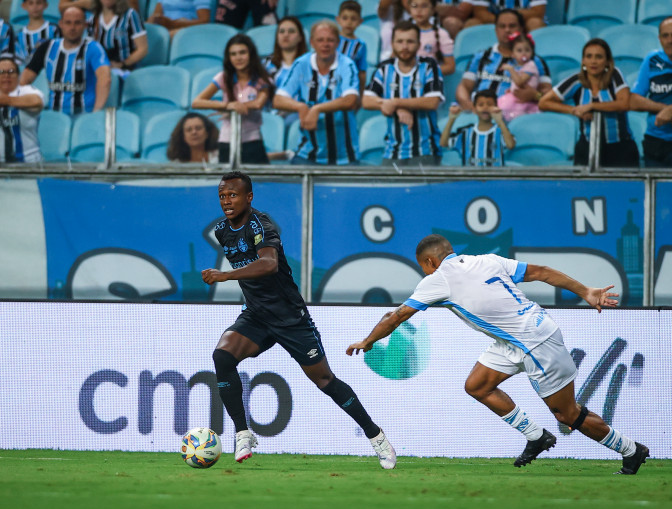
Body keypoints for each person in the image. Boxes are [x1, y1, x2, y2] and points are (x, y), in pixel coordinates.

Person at [346, 233, 650, 475]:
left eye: (422, 267)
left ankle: (631, 450)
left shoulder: (438, 279)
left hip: (535, 343)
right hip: (520, 336)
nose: (423, 272)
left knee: (567, 414)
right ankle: (536, 436)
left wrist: (368, 341)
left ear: (430, 261)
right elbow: (541, 272)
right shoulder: (487, 260)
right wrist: (585, 291)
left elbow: (396, 317)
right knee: (477, 385)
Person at [202, 170, 396, 469]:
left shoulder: (261, 225)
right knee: (222, 356)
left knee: (325, 380)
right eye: (222, 196)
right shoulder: (222, 231)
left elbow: (269, 264)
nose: (226, 201)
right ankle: (242, 433)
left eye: (233, 195)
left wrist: (226, 276)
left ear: (249, 197)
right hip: (256, 315)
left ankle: (376, 436)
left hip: (290, 318)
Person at [539, 38, 638, 168]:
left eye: (599, 57)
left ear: (607, 61)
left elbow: (624, 104)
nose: (593, 61)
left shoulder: (615, 75)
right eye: (589, 56)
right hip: (586, 148)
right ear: (583, 61)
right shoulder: (576, 81)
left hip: (620, 149)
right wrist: (574, 110)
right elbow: (544, 102)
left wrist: (592, 106)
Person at [273, 20, 360, 165]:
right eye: (320, 40)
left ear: (338, 43)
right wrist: (300, 107)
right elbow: (278, 99)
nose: (325, 44)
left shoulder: (347, 64)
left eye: (330, 40)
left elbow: (351, 100)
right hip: (307, 154)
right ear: (312, 42)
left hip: (345, 157)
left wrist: (317, 109)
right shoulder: (301, 64)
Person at [363, 21, 444, 166]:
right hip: (392, 151)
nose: (404, 46)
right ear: (392, 44)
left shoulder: (429, 66)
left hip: (425, 150)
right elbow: (366, 100)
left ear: (419, 44)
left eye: (410, 42)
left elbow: (432, 102)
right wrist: (397, 107)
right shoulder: (384, 68)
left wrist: (395, 103)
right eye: (399, 41)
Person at [192, 34, 273, 164]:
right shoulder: (223, 77)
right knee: (229, 178)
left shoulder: (262, 79)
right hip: (227, 142)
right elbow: (197, 102)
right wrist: (227, 106)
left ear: (251, 54)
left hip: (253, 141)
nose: (238, 58)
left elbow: (258, 104)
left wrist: (238, 105)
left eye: (242, 53)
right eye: (233, 54)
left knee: (258, 177)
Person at [20, 6, 111, 115]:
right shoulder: (47, 48)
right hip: (55, 117)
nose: (72, 27)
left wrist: (95, 113)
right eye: (68, 23)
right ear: (61, 24)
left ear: (85, 25)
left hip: (84, 115)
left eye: (77, 23)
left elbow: (105, 79)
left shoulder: (94, 48)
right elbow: (24, 80)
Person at [455, 8, 550, 112]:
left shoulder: (535, 61)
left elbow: (549, 93)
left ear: (521, 29)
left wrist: (535, 95)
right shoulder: (481, 56)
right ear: (496, 30)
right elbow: (464, 86)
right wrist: (470, 107)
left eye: (512, 26)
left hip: (515, 114)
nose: (507, 30)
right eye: (502, 26)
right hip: (479, 113)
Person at [630, 16, 672, 168]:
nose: (670, 40)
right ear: (659, 39)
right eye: (665, 36)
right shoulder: (652, 60)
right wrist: (665, 109)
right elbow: (634, 101)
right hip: (656, 143)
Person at [440, 88, 514, 166]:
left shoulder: (501, 131)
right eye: (481, 105)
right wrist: (451, 119)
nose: (485, 107)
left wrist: (500, 121)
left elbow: (510, 145)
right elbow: (443, 143)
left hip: (494, 174)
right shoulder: (465, 132)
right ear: (474, 109)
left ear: (496, 107)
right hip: (470, 174)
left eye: (489, 104)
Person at [90, 0, 148, 73]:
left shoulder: (130, 15)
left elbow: (142, 49)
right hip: (102, 69)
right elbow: (90, 48)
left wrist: (122, 64)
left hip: (127, 69)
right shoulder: (94, 19)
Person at [497, 32, 538, 121]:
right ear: (512, 54)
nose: (524, 53)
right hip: (516, 98)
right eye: (519, 50)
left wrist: (510, 69)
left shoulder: (531, 65)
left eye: (527, 50)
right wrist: (511, 89)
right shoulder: (520, 67)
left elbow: (520, 82)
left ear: (532, 52)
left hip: (525, 102)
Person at [409, 0, 455, 75]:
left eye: (424, 6)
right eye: (414, 6)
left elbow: (450, 67)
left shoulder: (441, 34)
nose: (419, 10)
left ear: (433, 9)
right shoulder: (403, 33)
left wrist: (425, 73)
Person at [15, 0, 61, 66]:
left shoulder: (54, 30)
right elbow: (18, 61)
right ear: (24, 6)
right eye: (31, 3)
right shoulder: (19, 35)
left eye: (38, 3)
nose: (35, 7)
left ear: (45, 5)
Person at [337, 1, 368, 94]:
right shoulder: (331, 39)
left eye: (353, 19)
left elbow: (362, 71)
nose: (349, 22)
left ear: (360, 21)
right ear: (338, 19)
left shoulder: (360, 45)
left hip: (349, 87)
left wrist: (361, 94)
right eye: (345, 18)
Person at [466, 0, 545, 32]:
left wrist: (512, 19)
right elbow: (479, 12)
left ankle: (536, 59)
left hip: (522, 22)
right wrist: (502, 21)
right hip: (494, 21)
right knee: (472, 23)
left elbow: (538, 13)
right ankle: (476, 60)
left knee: (535, 23)